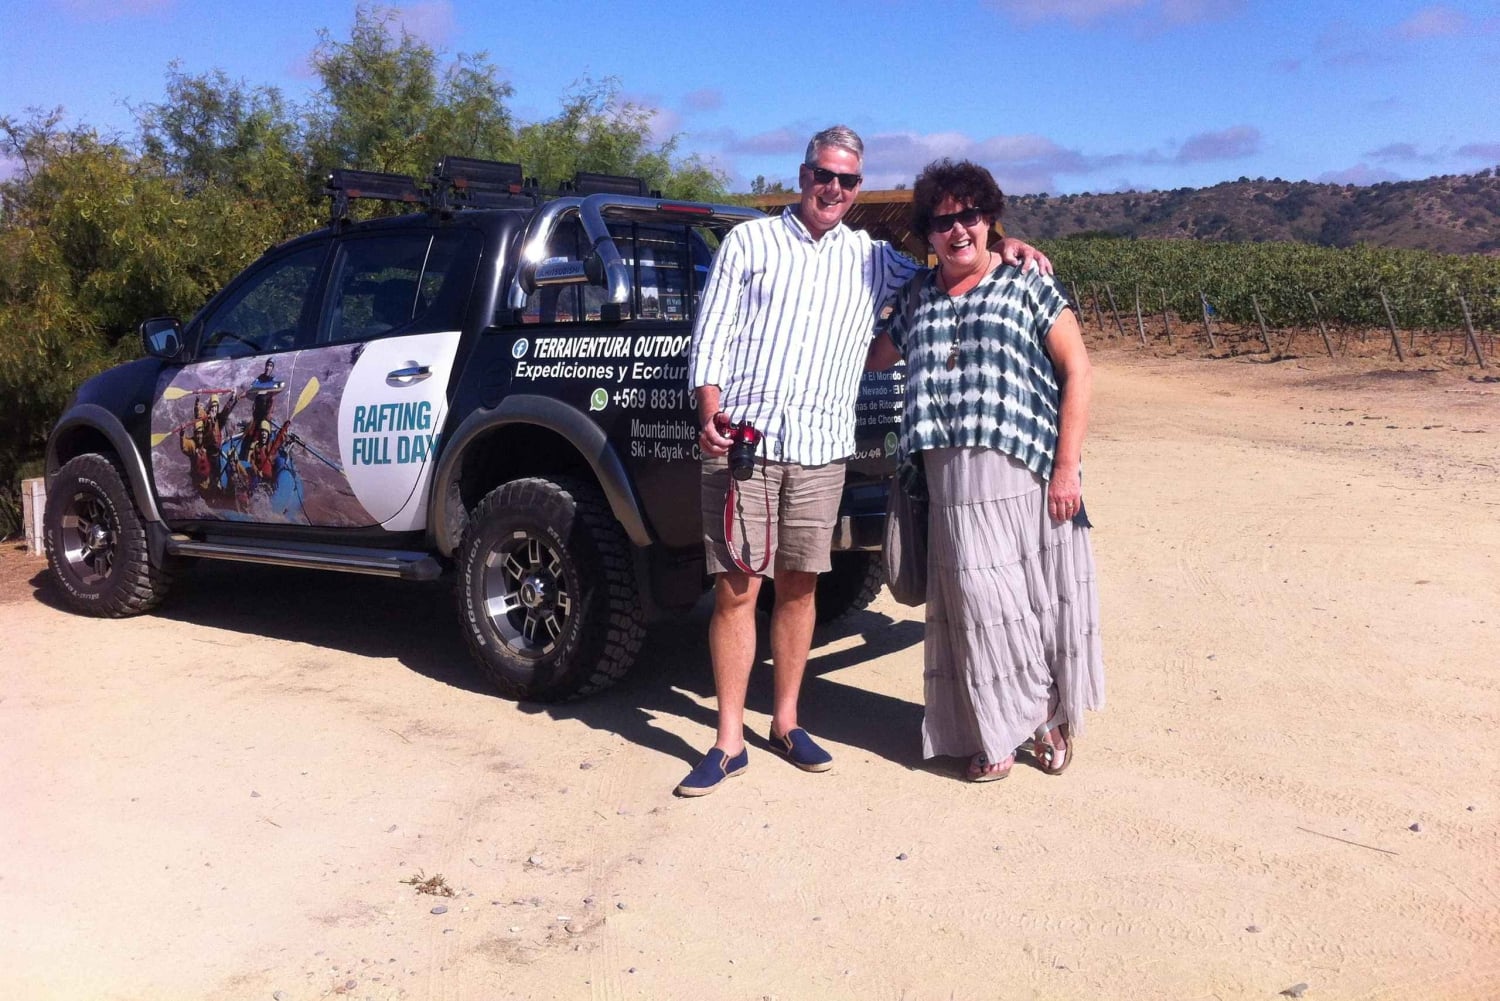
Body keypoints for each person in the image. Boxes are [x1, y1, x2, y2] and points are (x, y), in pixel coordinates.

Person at [679, 128, 1051, 796]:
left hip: (822, 447)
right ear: (802, 174)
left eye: (848, 180)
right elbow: (712, 335)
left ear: (857, 187)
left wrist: (1006, 244)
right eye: (825, 174)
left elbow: (951, 265)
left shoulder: (871, 258)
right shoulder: (750, 243)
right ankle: (728, 738)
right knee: (738, 589)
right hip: (747, 443)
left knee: (800, 586)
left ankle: (785, 722)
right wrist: (708, 406)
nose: (835, 189)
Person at [867, 158, 1104, 782]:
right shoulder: (916, 294)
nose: (956, 231)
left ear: (990, 219)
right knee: (977, 607)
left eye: (968, 216)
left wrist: (1067, 469)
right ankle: (1007, 725)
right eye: (941, 222)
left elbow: (1077, 370)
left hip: (1017, 472)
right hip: (946, 479)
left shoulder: (1026, 282)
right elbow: (873, 355)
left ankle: (1034, 717)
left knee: (1009, 600)